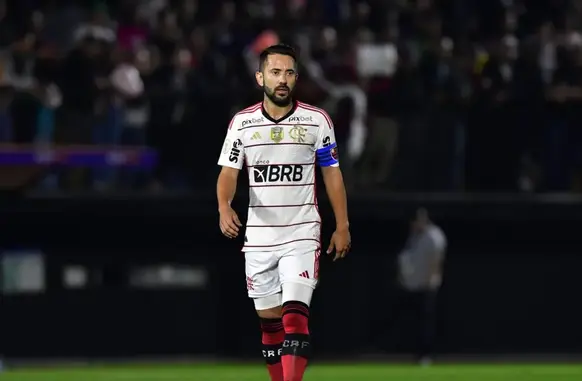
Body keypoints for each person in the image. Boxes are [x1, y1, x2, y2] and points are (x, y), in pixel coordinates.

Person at [216, 44, 351, 381]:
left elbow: (332, 173)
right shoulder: (242, 123)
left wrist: (343, 224)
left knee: (295, 318)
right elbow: (229, 172)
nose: (282, 79)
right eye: (275, 72)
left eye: (289, 73)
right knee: (271, 325)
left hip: (301, 232)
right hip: (259, 239)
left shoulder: (316, 120)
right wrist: (223, 206)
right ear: (261, 76)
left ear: (296, 78)